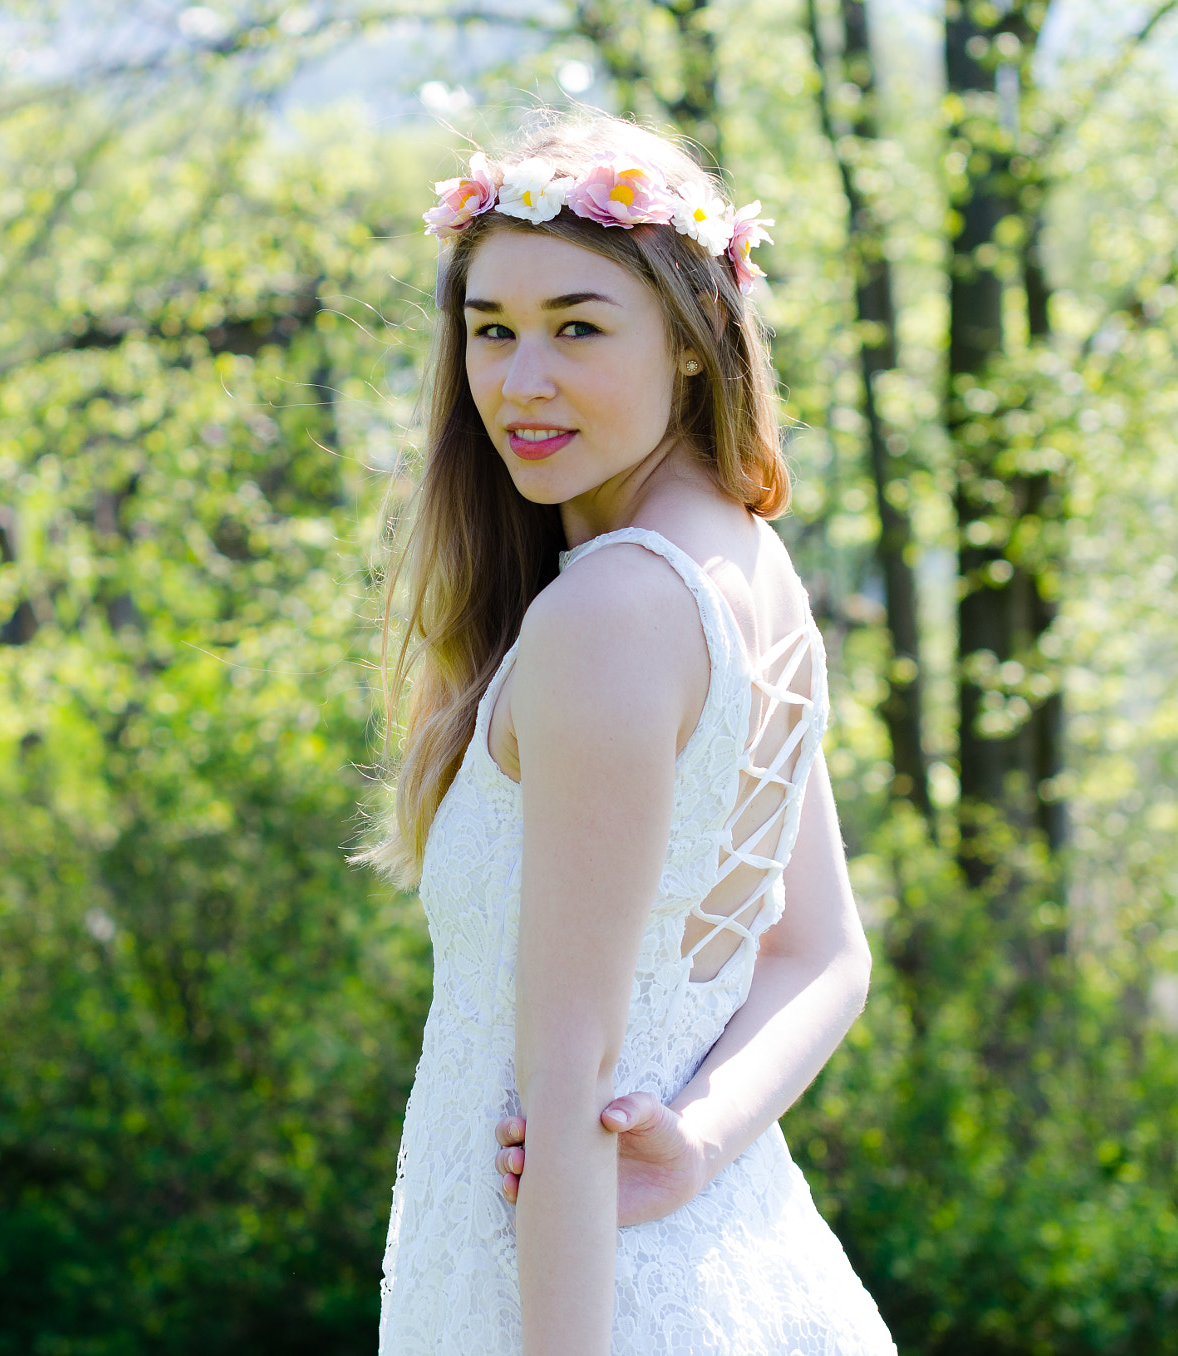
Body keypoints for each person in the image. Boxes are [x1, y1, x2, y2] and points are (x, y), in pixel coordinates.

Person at [367, 113, 897, 1354]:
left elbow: (564, 1092)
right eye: (491, 330)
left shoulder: (610, 612)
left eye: (577, 328)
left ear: (696, 341)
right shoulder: (744, 565)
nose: (519, 379)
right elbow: (822, 959)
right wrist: (696, 1146)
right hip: (718, 1263)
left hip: (572, 1304)